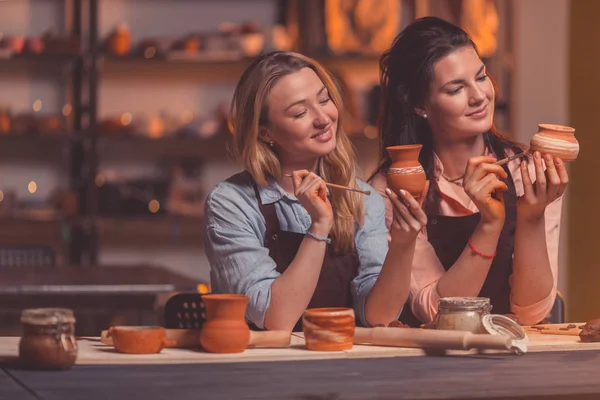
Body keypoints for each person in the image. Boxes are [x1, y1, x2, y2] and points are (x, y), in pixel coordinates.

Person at [204, 51, 426, 332]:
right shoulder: (232, 203)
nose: (323, 118)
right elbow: (276, 318)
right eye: (300, 112)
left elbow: (378, 315)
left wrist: (404, 244)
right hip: (262, 368)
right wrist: (319, 226)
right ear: (265, 132)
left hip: (343, 363)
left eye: (324, 100)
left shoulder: (361, 197)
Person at [369, 17, 568, 326]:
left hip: (511, 355)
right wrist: (489, 226)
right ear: (421, 105)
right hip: (424, 363)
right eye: (455, 89)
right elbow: (434, 311)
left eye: (481, 76)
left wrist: (532, 216)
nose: (479, 96)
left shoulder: (526, 172)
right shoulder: (393, 188)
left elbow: (531, 312)